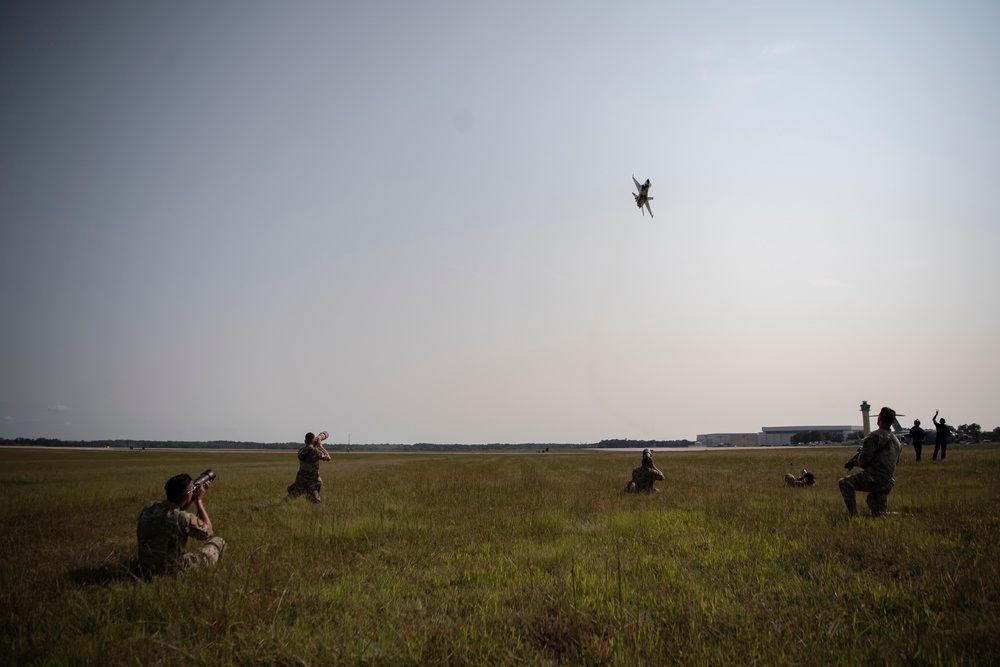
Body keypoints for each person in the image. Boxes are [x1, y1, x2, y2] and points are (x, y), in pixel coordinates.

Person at [136, 473, 225, 575]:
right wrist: (198, 501)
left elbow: (175, 509)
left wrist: (190, 498)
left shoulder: (149, 508)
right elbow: (208, 532)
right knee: (219, 542)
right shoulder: (183, 518)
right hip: (172, 570)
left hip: (144, 568)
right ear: (188, 495)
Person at [838, 406, 903, 517]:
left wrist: (852, 462)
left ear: (879, 419)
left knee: (845, 483)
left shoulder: (874, 436)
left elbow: (863, 461)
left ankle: (853, 515)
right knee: (879, 513)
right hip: (887, 482)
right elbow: (895, 462)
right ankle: (904, 516)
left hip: (874, 478)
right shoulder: (896, 441)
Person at [286, 431, 331, 503]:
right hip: (311, 482)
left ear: (305, 441)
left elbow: (308, 450)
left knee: (288, 499)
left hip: (300, 480)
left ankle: (275, 507)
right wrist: (320, 446)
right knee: (315, 503)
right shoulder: (315, 451)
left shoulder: (301, 451)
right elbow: (328, 458)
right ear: (314, 440)